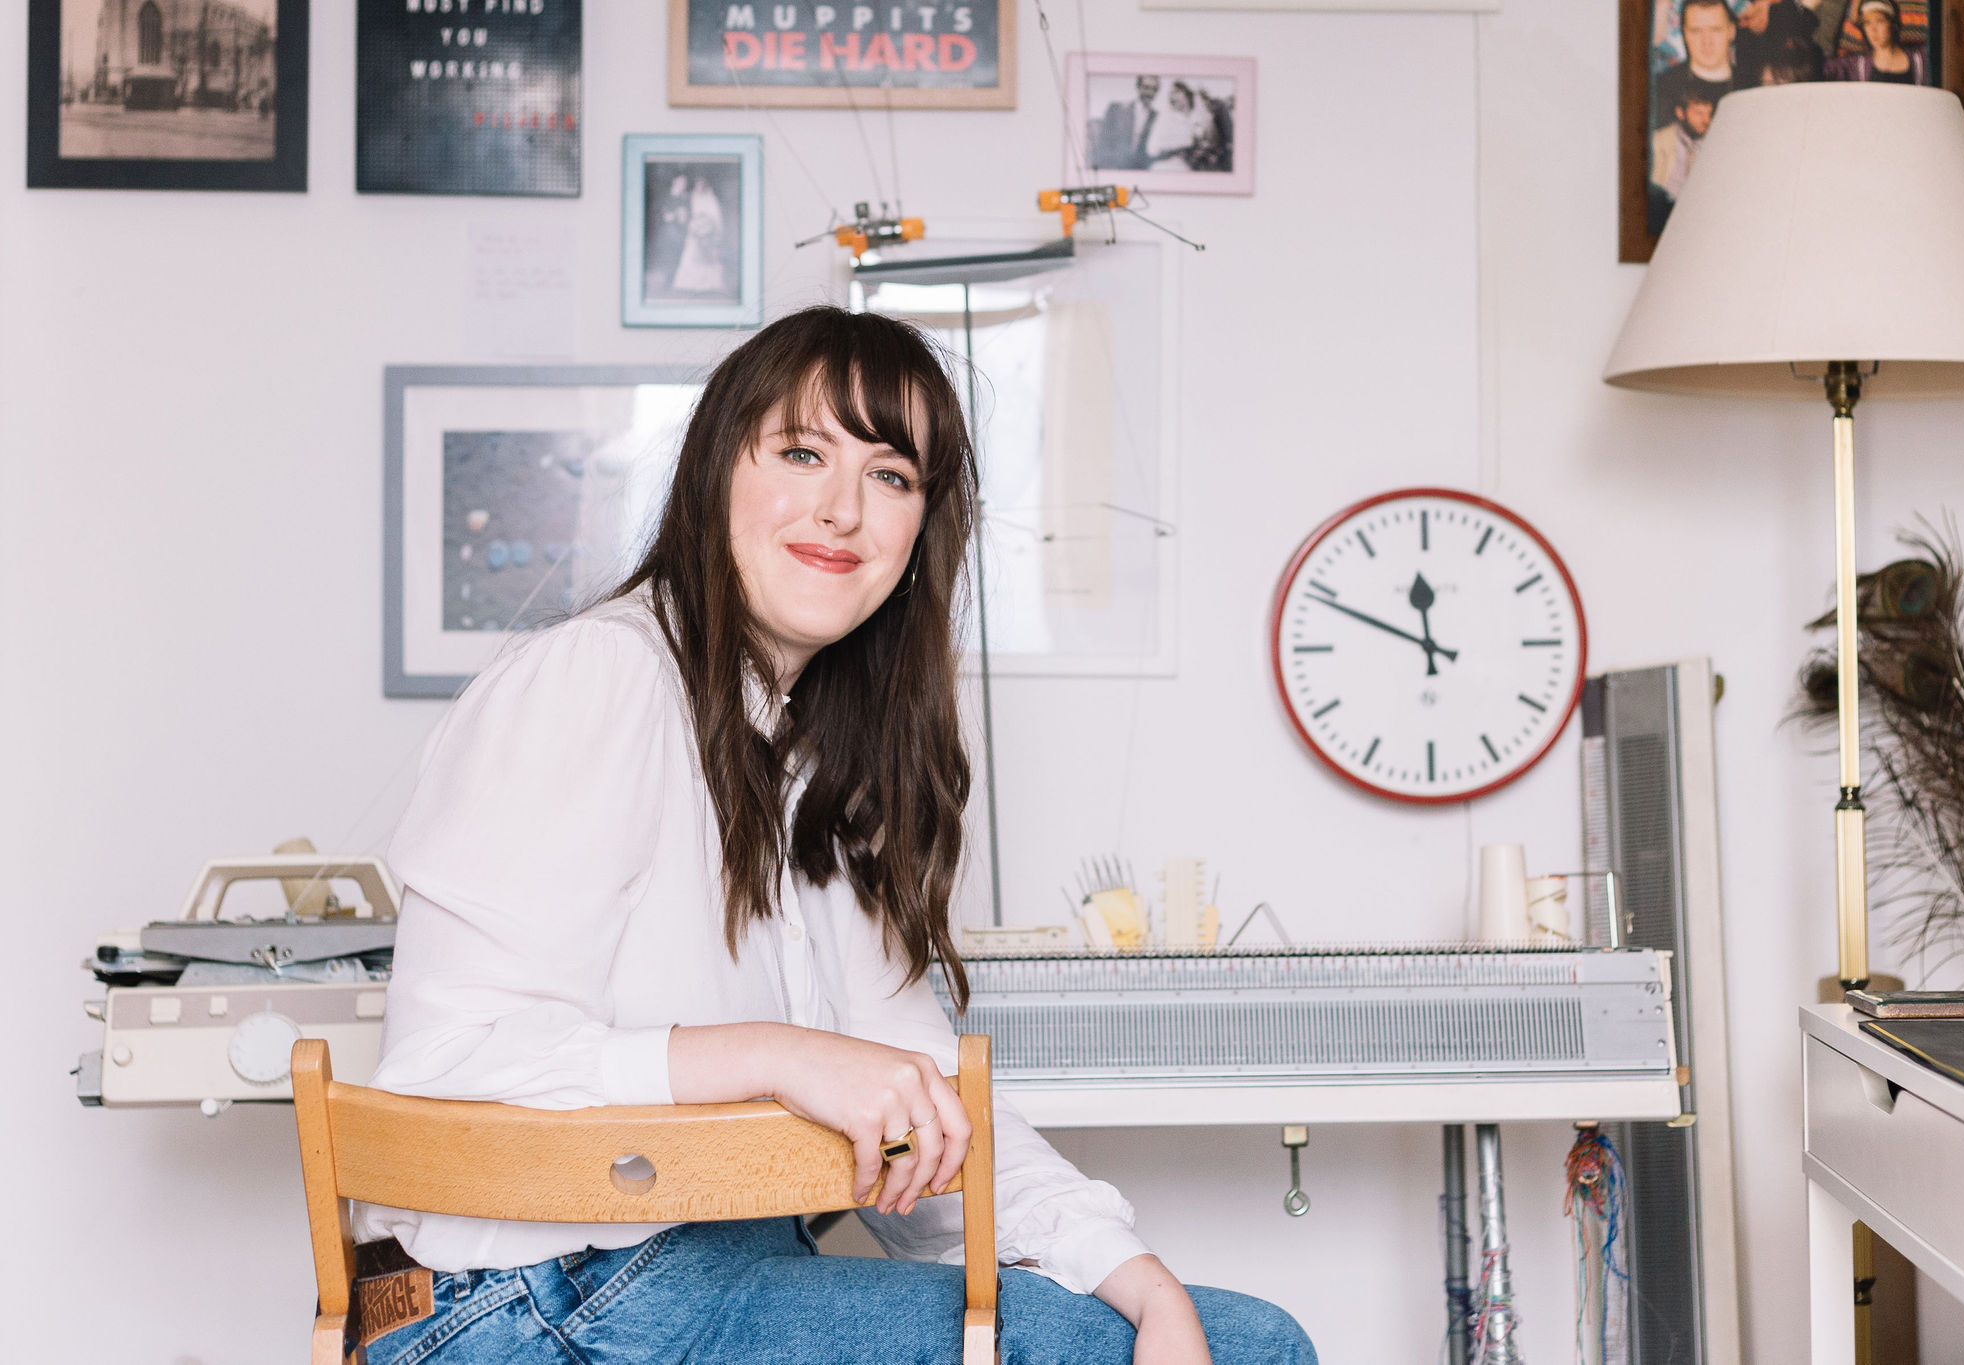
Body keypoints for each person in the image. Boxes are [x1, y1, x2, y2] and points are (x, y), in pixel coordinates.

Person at [352, 307, 1317, 1365]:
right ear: (717, 470)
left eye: (891, 478)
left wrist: (1137, 1281)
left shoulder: (822, 771)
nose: (842, 510)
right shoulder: (602, 674)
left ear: (916, 540)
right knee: (1132, 1348)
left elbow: (923, 1112)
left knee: (1237, 1341)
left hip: (703, 1268)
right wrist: (780, 1058)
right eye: (802, 452)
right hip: (512, 1296)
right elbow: (440, 1071)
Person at [1655, 0, 1738, 125]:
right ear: (1684, 34)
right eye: (1696, 31)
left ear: (1731, 31)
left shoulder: (1751, 84)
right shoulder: (1662, 89)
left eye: (1715, 30)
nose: (1707, 41)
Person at [1824, 0, 1928, 83]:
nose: (1873, 29)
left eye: (1879, 21)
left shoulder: (1920, 59)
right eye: (1867, 23)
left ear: (1893, 24)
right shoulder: (1856, 65)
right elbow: (1820, 70)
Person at [1651, 75, 1718, 201]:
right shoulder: (1658, 141)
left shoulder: (1715, 143)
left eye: (1709, 113)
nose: (1706, 120)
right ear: (1680, 113)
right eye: (1699, 113)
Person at [671, 174, 728, 295]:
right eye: (697, 185)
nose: (699, 187)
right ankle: (689, 284)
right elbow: (688, 213)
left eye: (701, 185)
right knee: (692, 256)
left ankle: (709, 285)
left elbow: (716, 217)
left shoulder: (711, 198)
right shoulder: (692, 197)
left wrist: (709, 229)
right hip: (694, 232)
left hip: (708, 233)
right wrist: (694, 226)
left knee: (708, 258)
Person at [1091, 75, 1160, 172]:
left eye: (1154, 89)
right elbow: (1104, 142)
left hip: (1141, 171)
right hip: (1115, 168)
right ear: (1138, 87)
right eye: (1146, 87)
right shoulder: (1117, 109)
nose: (1149, 93)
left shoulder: (1156, 117)